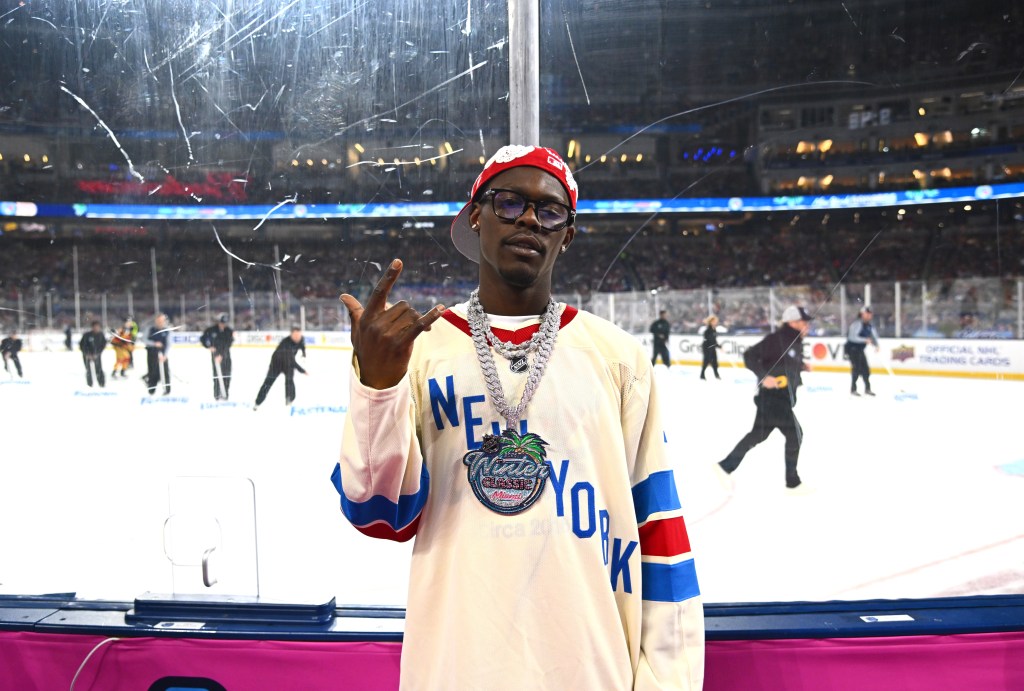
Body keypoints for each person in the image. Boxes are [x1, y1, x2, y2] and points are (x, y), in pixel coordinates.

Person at [333, 145, 703, 690]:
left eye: (550, 211)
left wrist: (667, 682)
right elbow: (379, 516)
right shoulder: (414, 350)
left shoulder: (618, 358)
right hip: (455, 666)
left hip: (590, 667)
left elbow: (660, 531)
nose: (529, 218)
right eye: (508, 203)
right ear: (475, 215)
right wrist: (379, 387)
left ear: (567, 234)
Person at [716, 305, 813, 491]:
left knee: (758, 435)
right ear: (792, 323)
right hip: (773, 398)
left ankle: (725, 466)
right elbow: (749, 356)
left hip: (778, 398)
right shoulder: (777, 339)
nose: (807, 326)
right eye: (804, 322)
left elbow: (785, 362)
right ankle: (793, 482)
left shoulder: (794, 341)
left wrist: (801, 366)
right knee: (795, 435)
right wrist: (764, 376)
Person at [253, 327, 307, 409]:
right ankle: (257, 402)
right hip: (276, 364)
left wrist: (304, 353)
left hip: (288, 364)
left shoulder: (301, 339)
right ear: (291, 335)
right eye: (295, 335)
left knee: (289, 381)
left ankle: (289, 400)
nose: (297, 337)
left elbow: (302, 345)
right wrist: (302, 371)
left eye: (299, 335)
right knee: (268, 383)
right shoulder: (285, 343)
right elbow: (292, 361)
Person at [846, 306, 879, 396]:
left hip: (860, 349)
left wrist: (876, 345)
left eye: (870, 314)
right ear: (862, 314)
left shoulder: (869, 325)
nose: (869, 316)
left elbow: (873, 335)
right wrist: (864, 340)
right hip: (852, 349)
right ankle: (853, 389)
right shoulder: (856, 324)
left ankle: (867, 389)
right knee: (856, 368)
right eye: (867, 314)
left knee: (866, 369)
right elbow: (852, 337)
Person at [200, 313, 235, 400]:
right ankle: (217, 395)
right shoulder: (211, 330)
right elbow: (202, 338)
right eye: (222, 323)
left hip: (225, 355)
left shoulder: (229, 331)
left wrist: (222, 355)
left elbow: (228, 344)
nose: (223, 325)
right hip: (215, 355)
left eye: (225, 323)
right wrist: (208, 347)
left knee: (227, 374)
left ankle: (225, 394)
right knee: (216, 375)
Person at [144, 314, 172, 395]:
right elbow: (144, 339)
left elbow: (168, 344)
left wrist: (165, 355)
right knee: (152, 372)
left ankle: (167, 390)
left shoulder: (167, 331)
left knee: (165, 372)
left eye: (162, 320)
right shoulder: (150, 329)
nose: (160, 322)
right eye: (159, 320)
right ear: (156, 321)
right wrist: (154, 344)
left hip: (163, 355)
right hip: (151, 354)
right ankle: (151, 390)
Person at [79, 321, 107, 388]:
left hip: (96, 355)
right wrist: (87, 354)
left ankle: (101, 384)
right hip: (87, 356)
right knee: (88, 370)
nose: (96, 328)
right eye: (95, 327)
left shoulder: (101, 335)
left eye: (98, 327)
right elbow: (82, 345)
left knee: (99, 369)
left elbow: (103, 345)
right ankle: (89, 385)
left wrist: (97, 354)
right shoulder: (87, 335)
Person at [700, 314, 722, 380]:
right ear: (711, 321)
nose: (716, 322)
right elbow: (709, 340)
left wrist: (718, 346)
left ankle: (716, 374)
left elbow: (714, 340)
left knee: (714, 361)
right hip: (707, 348)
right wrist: (718, 346)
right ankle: (702, 374)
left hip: (712, 347)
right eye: (715, 321)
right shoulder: (708, 330)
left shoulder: (714, 329)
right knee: (706, 361)